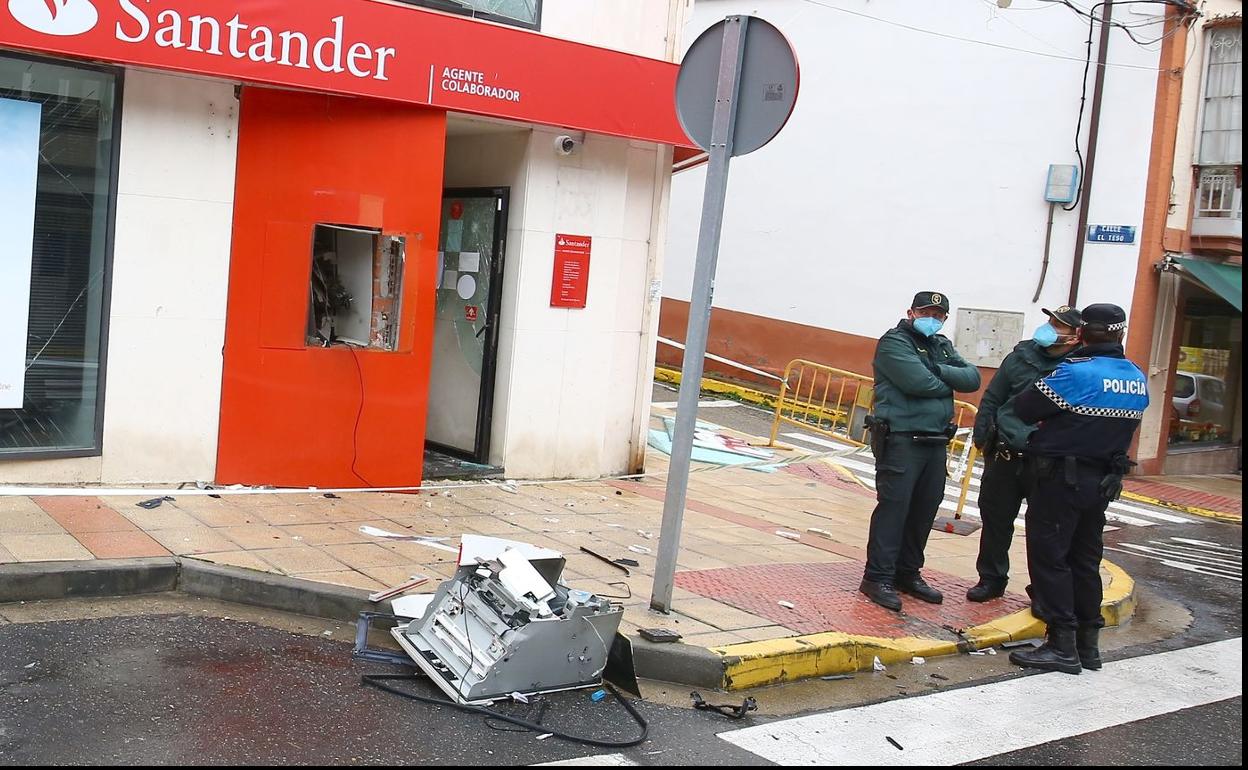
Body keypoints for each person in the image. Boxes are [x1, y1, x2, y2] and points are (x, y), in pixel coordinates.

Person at [1009, 303, 1147, 675]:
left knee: (1051, 558)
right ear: (1119, 333)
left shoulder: (1076, 373)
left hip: (1060, 480)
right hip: (1101, 482)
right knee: (1085, 561)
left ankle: (1061, 645)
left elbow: (1024, 407)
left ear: (1082, 333)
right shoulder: (1136, 376)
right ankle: (1089, 646)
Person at [860, 291, 982, 611]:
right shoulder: (894, 342)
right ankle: (877, 577)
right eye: (927, 312)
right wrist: (942, 375)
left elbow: (972, 378)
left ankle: (908, 573)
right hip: (901, 439)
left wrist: (935, 369)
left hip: (935, 441)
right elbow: (918, 383)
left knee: (924, 510)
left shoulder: (941, 345)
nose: (933, 319)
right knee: (894, 510)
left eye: (939, 315)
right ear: (912, 312)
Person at [967, 306, 1083, 602]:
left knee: (1044, 530)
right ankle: (991, 579)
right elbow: (993, 397)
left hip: (1046, 460)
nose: (1050, 328)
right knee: (995, 520)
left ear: (1075, 336)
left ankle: (1043, 590)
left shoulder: (1079, 366)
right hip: (1005, 454)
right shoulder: (1021, 355)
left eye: (1059, 326)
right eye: (1050, 321)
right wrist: (983, 438)